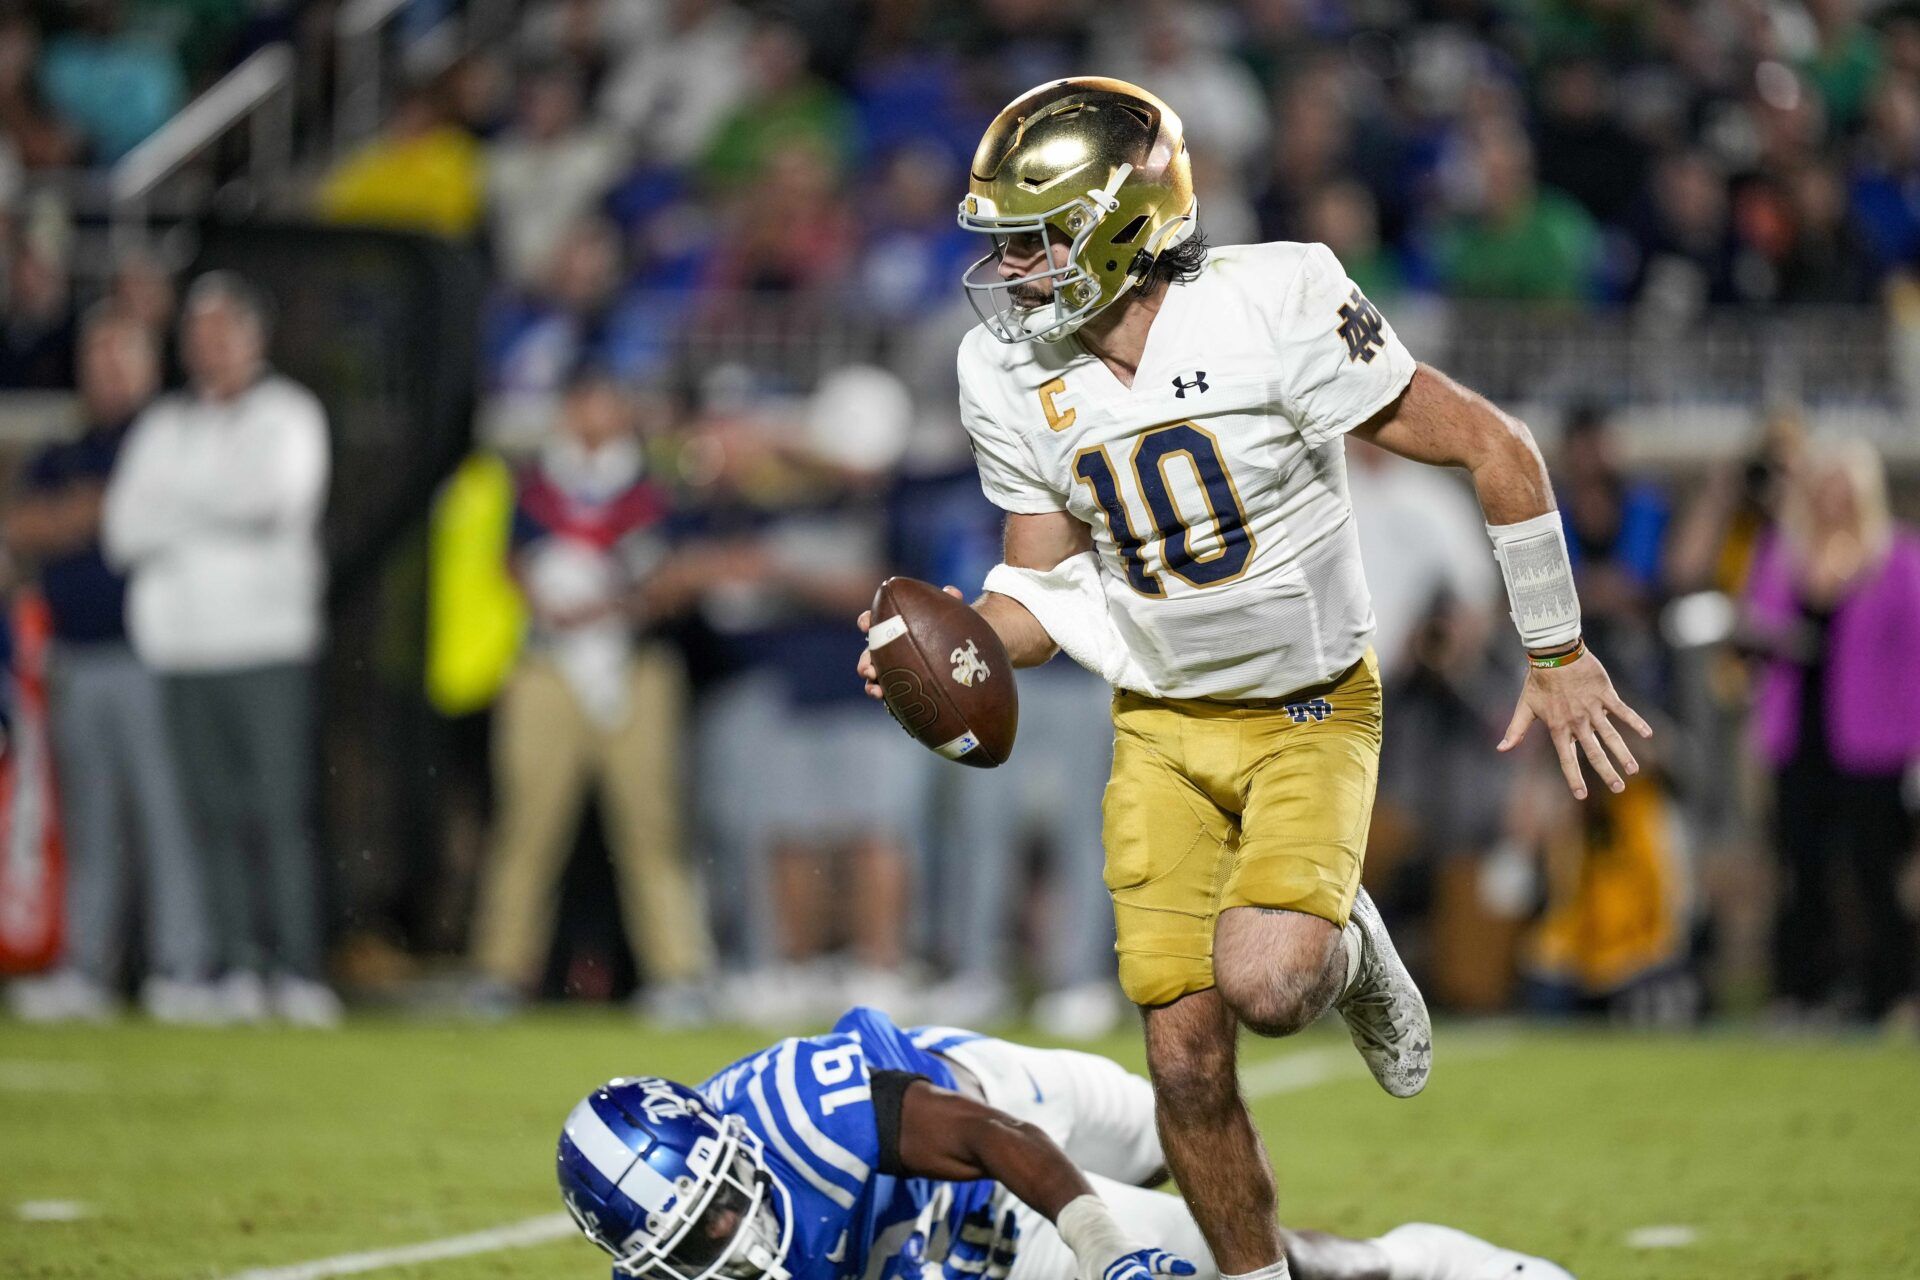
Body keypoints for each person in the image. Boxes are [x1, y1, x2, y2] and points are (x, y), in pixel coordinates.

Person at [854, 79, 1650, 1280]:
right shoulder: (1004, 373)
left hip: (1309, 706)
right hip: (1162, 724)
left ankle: (1347, 941)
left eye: (1035, 237)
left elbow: (1497, 444)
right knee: (1183, 1059)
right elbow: (1036, 590)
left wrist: (1555, 646)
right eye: (1003, 243)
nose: (1011, 270)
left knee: (1270, 983)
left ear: (1122, 217)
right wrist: (950, 645)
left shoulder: (1277, 299)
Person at [554, 1005, 1574, 1280]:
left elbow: (996, 1138)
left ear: (731, 1145)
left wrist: (1100, 1243)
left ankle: (1403, 1261)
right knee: (1238, 1271)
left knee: (1202, 1153)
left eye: (724, 1201)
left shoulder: (798, 1112)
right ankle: (1396, 1263)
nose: (730, 1239)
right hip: (951, 1249)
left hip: (1001, 1128)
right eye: (694, 1244)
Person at [102, 272, 336, 1027]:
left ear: (254, 336)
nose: (210, 347)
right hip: (183, 649)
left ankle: (297, 968)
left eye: (224, 331)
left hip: (266, 643)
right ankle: (237, 964)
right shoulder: (165, 426)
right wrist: (204, 509)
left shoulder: (289, 415)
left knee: (275, 811)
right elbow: (122, 530)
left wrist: (178, 507)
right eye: (198, 334)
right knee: (209, 815)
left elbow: (271, 501)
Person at [466, 366, 714, 1020]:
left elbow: (680, 572)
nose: (594, 416)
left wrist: (622, 602)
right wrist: (548, 599)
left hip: (634, 663)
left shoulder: (656, 484)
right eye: (584, 404)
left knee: (650, 822)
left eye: (607, 403)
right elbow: (507, 559)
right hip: (549, 663)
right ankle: (499, 968)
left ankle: (679, 970)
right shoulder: (533, 483)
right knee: (528, 821)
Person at [2, 306, 213, 1024]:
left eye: (121, 356)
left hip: (150, 653)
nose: (108, 372)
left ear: (150, 367)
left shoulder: (167, 439)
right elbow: (23, 524)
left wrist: (75, 515)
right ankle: (87, 968)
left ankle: (180, 966)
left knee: (165, 817)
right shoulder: (67, 449)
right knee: (87, 826)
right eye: (97, 357)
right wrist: (81, 512)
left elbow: (123, 512)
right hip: (76, 655)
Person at [1743, 441, 1920, 1025]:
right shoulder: (1781, 554)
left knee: (1874, 873)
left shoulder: (1897, 558)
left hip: (1874, 742)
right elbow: (1757, 630)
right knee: (1800, 872)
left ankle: (1890, 994)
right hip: (1799, 736)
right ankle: (1800, 993)